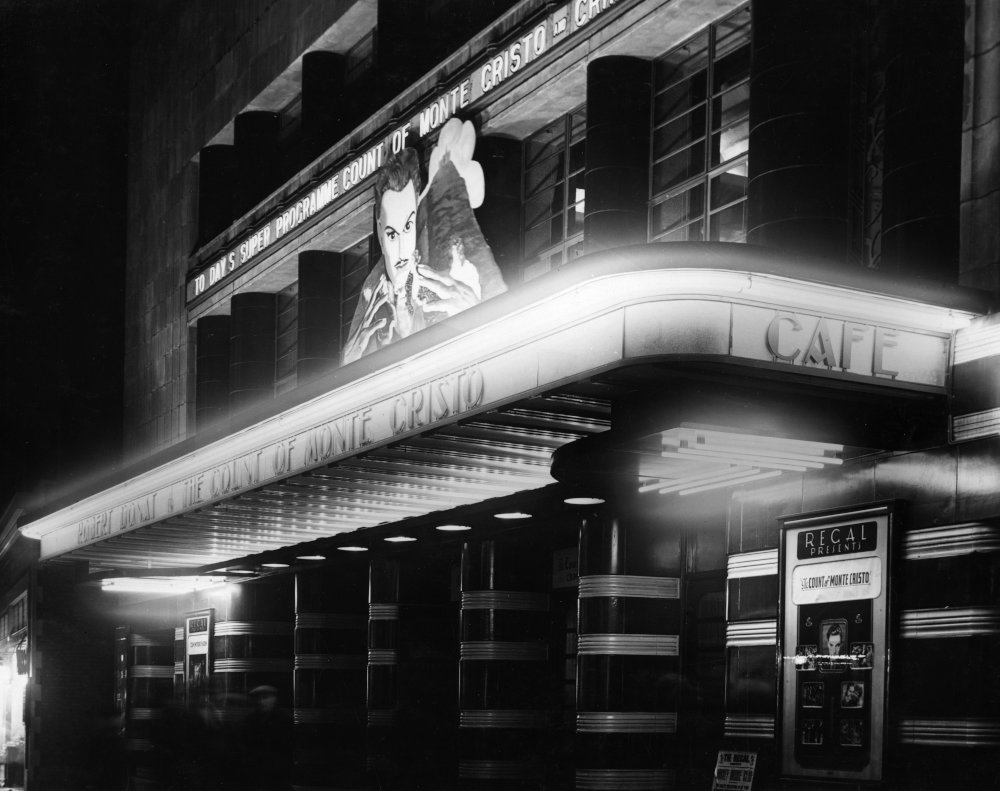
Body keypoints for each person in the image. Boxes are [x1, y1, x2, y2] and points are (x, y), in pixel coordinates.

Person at [343, 118, 507, 363]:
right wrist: (349, 364)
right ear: (379, 231)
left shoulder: (449, 269)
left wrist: (478, 319)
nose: (402, 248)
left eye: (408, 227)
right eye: (391, 234)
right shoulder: (373, 291)